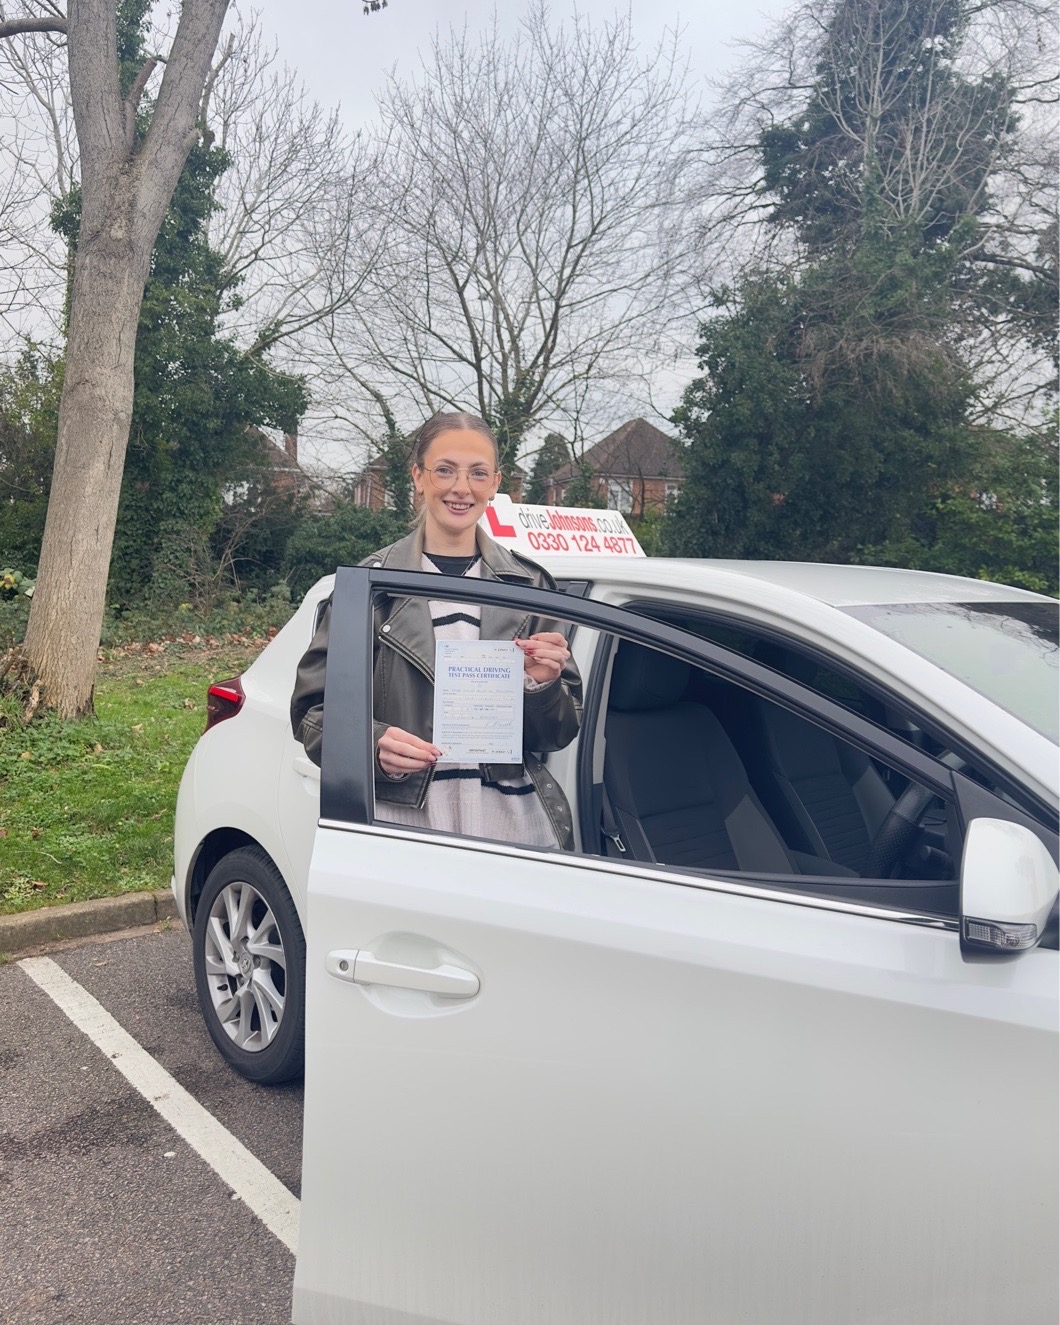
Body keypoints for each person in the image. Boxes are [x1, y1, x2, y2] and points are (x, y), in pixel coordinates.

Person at [290, 412, 582, 849]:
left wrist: (540, 688)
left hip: (513, 832)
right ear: (418, 477)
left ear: (495, 483)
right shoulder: (370, 587)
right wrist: (372, 746)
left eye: (477, 473)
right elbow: (311, 714)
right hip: (405, 829)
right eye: (444, 470)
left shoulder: (531, 587)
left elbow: (556, 735)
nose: (461, 488)